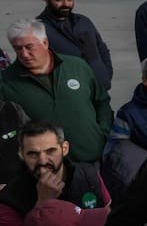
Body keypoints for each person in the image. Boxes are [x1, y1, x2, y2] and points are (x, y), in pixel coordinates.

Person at [2, 20, 112, 164]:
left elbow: (102, 102)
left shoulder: (77, 66)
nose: (24, 54)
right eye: (18, 49)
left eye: (29, 47)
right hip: (44, 169)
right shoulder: (5, 82)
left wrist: (102, 133)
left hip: (93, 160)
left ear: (45, 42)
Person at [0, 120, 108, 226]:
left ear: (64, 149)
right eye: (33, 154)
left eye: (50, 151)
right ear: (21, 154)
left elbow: (107, 214)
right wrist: (43, 204)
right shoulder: (9, 198)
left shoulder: (88, 174)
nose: (43, 160)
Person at [35, 0, 114, 90]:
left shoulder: (83, 21)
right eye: (59, 0)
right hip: (71, 93)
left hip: (100, 89)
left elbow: (102, 49)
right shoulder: (38, 28)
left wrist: (105, 74)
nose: (66, 4)